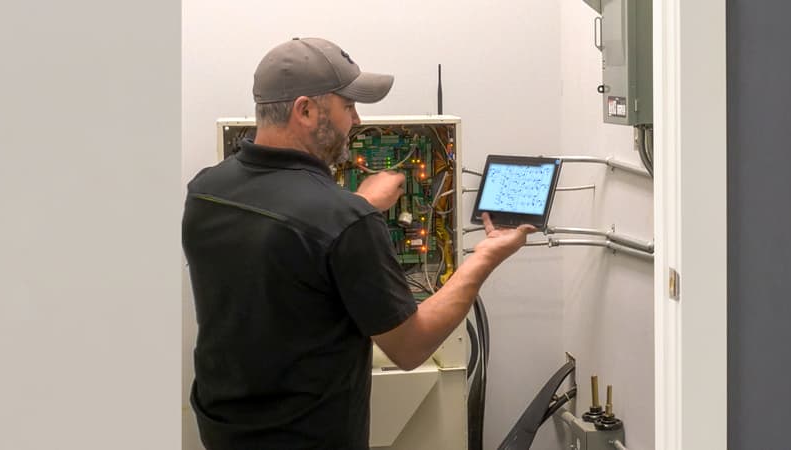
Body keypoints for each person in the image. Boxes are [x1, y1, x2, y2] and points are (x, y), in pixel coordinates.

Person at [181, 37, 537, 450]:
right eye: (347, 106)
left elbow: (283, 254)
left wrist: (356, 205)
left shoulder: (206, 189)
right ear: (306, 110)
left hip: (222, 430)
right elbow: (410, 346)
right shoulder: (344, 221)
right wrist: (485, 257)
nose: (357, 120)